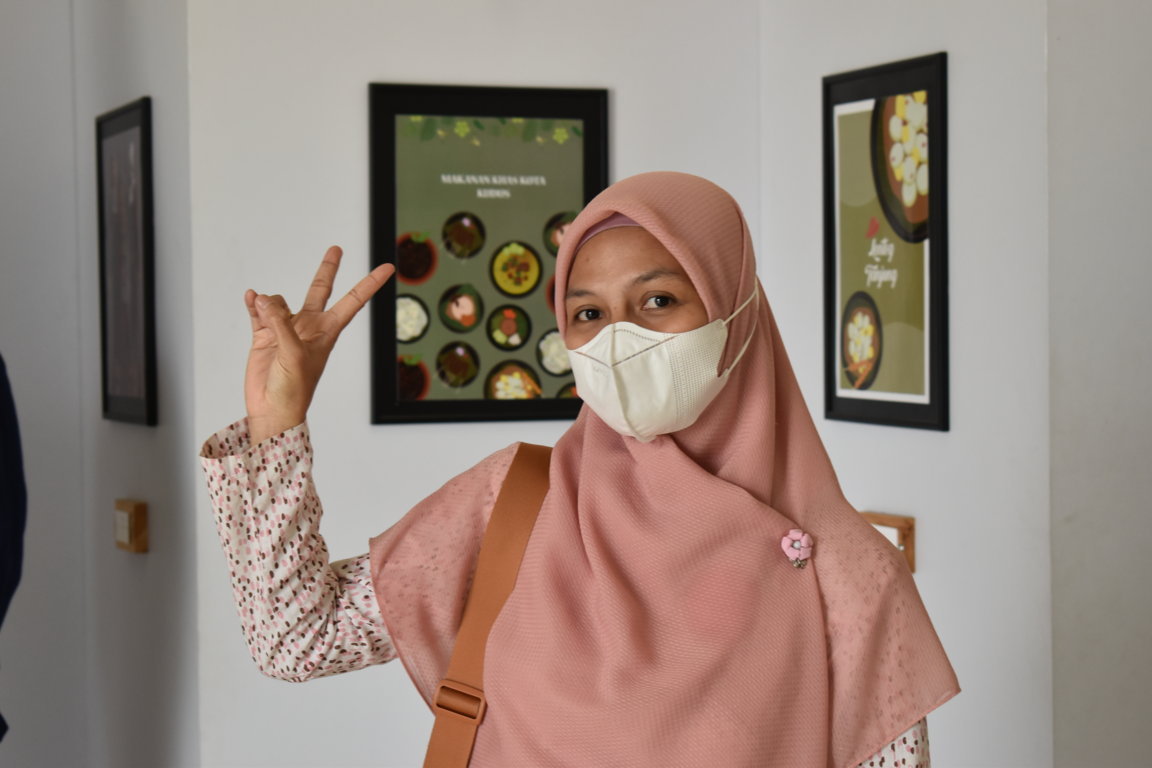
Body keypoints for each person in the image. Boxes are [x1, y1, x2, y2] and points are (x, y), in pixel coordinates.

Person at [201, 172, 958, 767]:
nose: (619, 338)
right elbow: (296, 640)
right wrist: (277, 422)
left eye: (657, 299)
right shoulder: (518, 500)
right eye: (588, 314)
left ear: (736, 311)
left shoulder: (850, 576)